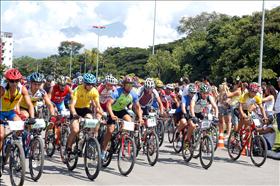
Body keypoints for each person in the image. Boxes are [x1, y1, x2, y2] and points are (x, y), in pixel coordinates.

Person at [101, 76, 144, 159]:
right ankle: (103, 151)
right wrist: (112, 115)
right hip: (112, 111)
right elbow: (108, 104)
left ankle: (121, 136)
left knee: (130, 121)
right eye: (127, 84)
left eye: (131, 85)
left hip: (121, 110)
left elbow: (138, 107)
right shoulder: (117, 92)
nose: (129, 86)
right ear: (123, 85)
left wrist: (141, 118)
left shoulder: (133, 94)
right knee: (110, 130)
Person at [65, 73, 103, 160]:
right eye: (89, 84)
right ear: (84, 83)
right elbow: (72, 105)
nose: (90, 86)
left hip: (85, 109)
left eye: (92, 84)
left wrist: (101, 113)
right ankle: (68, 148)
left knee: (92, 123)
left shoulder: (94, 91)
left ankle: (86, 141)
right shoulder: (77, 90)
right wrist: (74, 114)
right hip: (76, 109)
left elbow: (97, 105)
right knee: (75, 130)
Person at [0, 68, 35, 152]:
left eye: (17, 81)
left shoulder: (22, 89)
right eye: (12, 81)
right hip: (0, 112)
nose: (14, 83)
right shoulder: (2, 89)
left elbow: (30, 104)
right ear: (8, 81)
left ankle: (12, 144)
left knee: (21, 127)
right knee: (1, 135)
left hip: (11, 112)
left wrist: (32, 117)